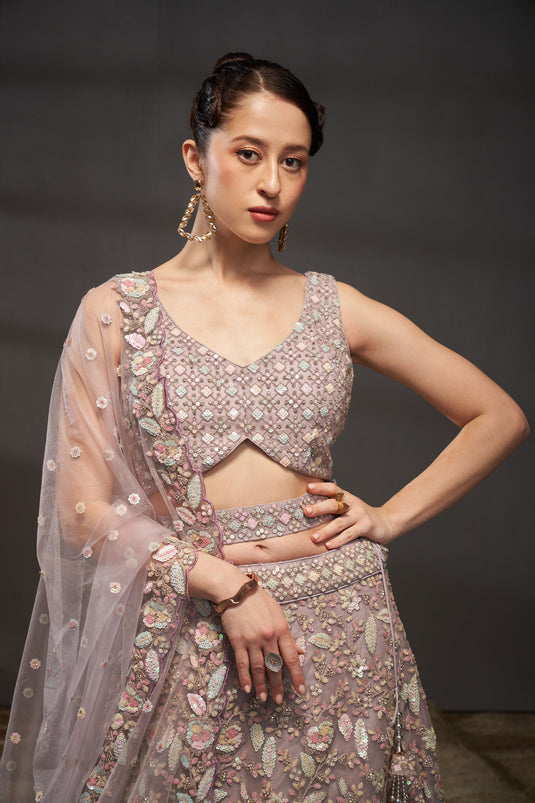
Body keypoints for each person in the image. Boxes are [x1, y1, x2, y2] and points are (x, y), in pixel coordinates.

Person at [0, 52, 528, 803]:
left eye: (294, 161)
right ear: (196, 158)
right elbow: (81, 511)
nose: (272, 183)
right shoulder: (117, 311)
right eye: (248, 154)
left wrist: (388, 517)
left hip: (341, 629)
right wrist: (226, 584)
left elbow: (497, 415)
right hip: (196, 620)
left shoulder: (335, 307)